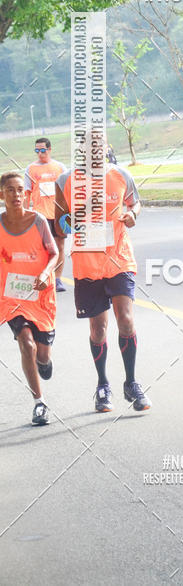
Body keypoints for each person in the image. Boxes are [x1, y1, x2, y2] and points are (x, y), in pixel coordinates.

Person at [54, 153, 151, 414]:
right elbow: (60, 226)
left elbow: (135, 203)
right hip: (87, 265)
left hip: (120, 260)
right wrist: (72, 222)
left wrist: (132, 214)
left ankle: (131, 383)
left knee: (126, 320)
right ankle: (103, 385)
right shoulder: (66, 180)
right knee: (98, 328)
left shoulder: (120, 175)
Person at [0, 172, 58, 426]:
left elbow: (54, 253)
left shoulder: (39, 221)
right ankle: (39, 403)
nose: (16, 195)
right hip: (12, 297)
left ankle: (43, 361)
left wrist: (46, 272)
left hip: (41, 294)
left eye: (20, 190)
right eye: (10, 190)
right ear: (2, 194)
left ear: (26, 193)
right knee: (26, 342)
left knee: (42, 354)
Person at [24, 137, 67, 292]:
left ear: (49, 149)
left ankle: (58, 279)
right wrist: (25, 215)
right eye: (37, 150)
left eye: (42, 150)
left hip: (58, 214)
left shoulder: (60, 167)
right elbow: (26, 194)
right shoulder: (30, 169)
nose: (40, 153)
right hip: (39, 215)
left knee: (60, 246)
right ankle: (43, 277)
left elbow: (67, 191)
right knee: (42, 249)